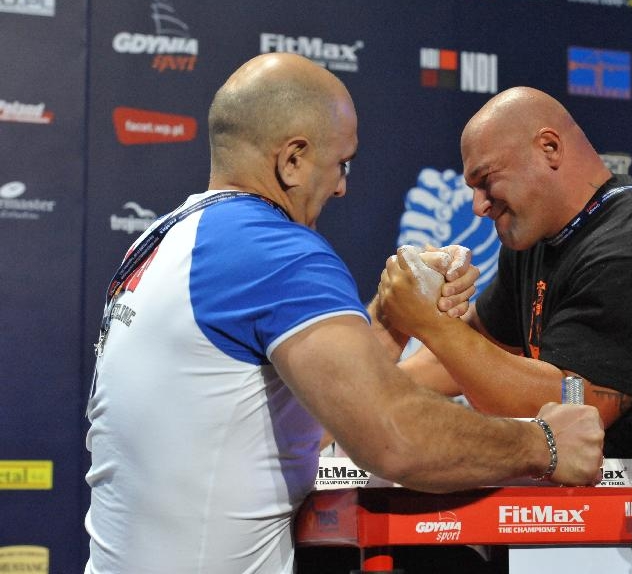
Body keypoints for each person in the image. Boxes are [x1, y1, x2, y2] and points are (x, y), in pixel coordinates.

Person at [83, 54, 604, 574]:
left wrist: (394, 318)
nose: (341, 187)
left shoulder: (166, 240)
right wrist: (545, 443)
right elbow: (395, 437)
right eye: (341, 163)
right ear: (292, 160)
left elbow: (305, 408)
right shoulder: (274, 251)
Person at [376, 86, 632, 488]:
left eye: (485, 179)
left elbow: (572, 410)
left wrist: (432, 326)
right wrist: (373, 397)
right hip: (599, 521)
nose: (478, 205)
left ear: (550, 148)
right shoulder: (538, 237)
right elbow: (475, 352)